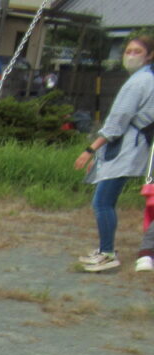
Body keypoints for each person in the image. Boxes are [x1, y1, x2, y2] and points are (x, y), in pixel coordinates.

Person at [74, 36, 154, 273]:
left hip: (126, 148)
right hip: (131, 146)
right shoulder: (145, 78)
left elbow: (117, 121)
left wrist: (91, 149)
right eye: (128, 51)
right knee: (105, 200)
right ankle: (105, 250)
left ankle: (107, 253)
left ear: (149, 56)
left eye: (137, 51)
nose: (130, 55)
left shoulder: (139, 82)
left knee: (102, 202)